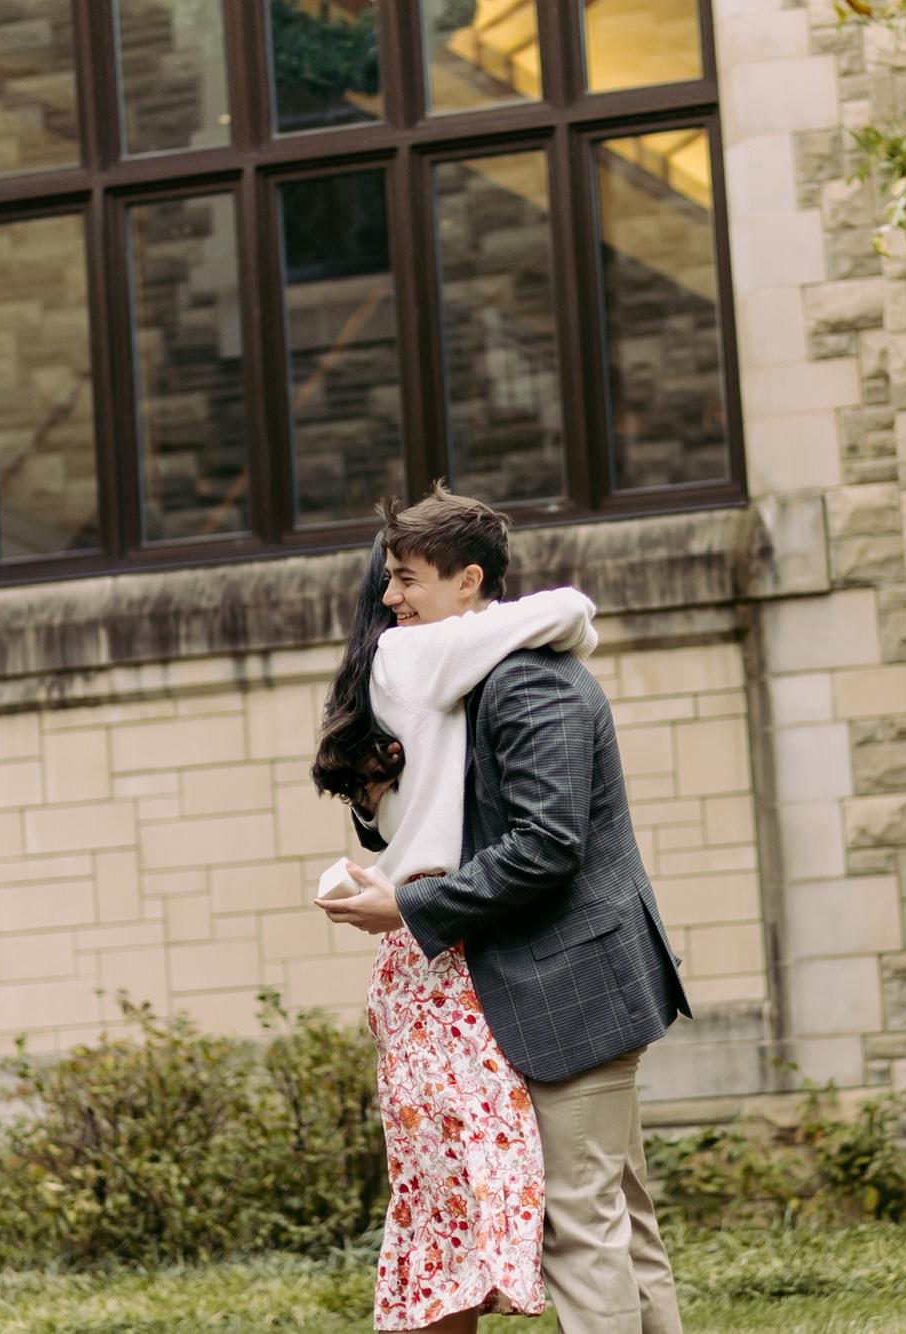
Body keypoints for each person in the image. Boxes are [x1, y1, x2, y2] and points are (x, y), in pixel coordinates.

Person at [322, 483, 692, 1334]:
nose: (390, 598)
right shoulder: (469, 680)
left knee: (580, 1225)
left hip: (574, 991)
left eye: (407, 578)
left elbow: (546, 848)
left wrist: (410, 910)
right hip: (547, 988)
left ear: (468, 581)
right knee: (615, 1222)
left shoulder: (531, 683)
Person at [312, 521, 599, 1334]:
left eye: (407, 580)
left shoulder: (440, 675)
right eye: (389, 584)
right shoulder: (411, 657)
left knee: (456, 1193)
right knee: (452, 1199)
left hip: (447, 952)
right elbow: (571, 611)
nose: (395, 599)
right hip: (440, 958)